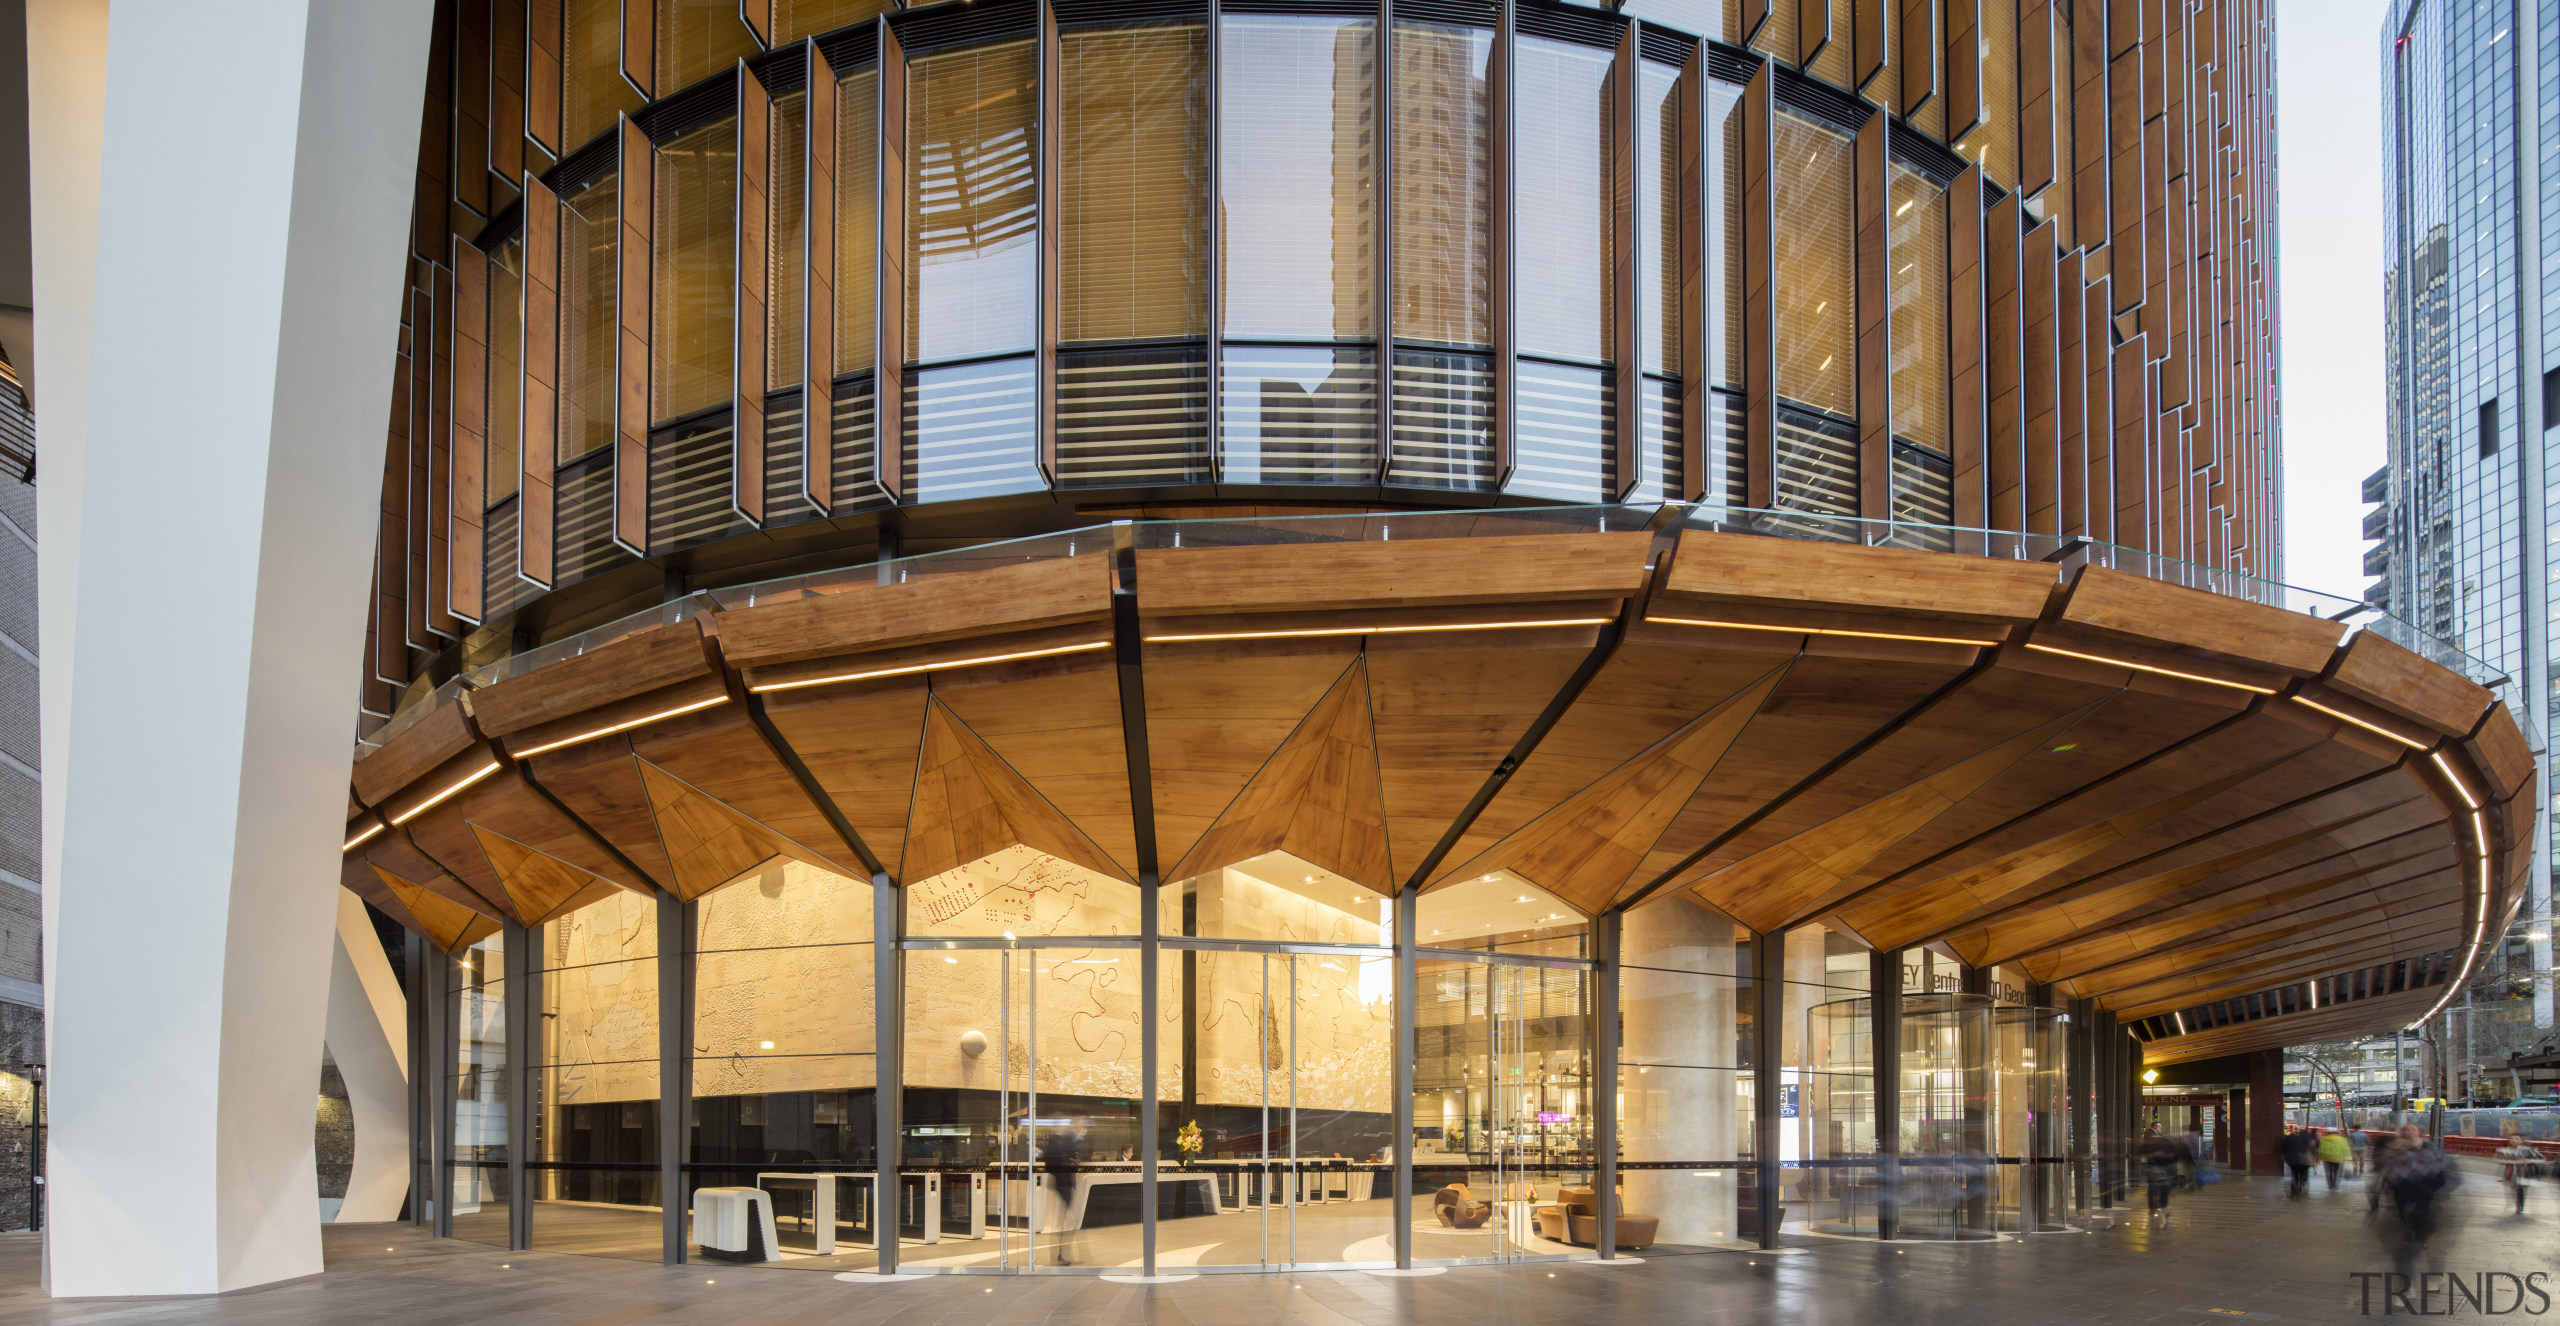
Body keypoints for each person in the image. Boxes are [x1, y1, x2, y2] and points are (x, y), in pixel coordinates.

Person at [2138, 1127, 2186, 1225]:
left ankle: (2154, 1209)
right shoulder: (2165, 1141)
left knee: (2153, 1190)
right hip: (2166, 1170)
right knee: (2164, 1190)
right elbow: (2176, 1154)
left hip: (2154, 1170)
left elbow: (2139, 1154)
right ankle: (2162, 1210)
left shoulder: (2148, 1143)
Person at [2497, 1124, 2541, 1216]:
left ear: (2521, 1141)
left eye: (2516, 1139)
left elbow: (2540, 1159)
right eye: (2512, 1138)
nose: (2513, 1140)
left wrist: (2528, 1160)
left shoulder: (2527, 1150)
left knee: (2520, 1190)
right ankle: (2517, 1204)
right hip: (2512, 1174)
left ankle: (2520, 1207)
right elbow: (2502, 1161)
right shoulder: (2507, 1149)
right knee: (2514, 1190)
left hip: (2524, 1174)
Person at [2279, 1125, 2316, 1199]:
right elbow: (2306, 1150)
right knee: (2302, 1174)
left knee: (2294, 1175)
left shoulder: (2289, 1139)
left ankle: (2295, 1186)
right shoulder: (2306, 1140)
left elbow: (2284, 1148)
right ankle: (2301, 1184)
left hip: (2291, 1161)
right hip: (2302, 1160)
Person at [2318, 1127, 2352, 1192]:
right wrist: (2347, 1157)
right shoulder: (2342, 1140)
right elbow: (2346, 1149)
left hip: (2327, 1159)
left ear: (2327, 1133)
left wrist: (2320, 1157)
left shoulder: (2323, 1140)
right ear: (2336, 1133)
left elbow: (2321, 1150)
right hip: (2339, 1159)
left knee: (2329, 1173)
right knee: (2337, 1173)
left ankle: (2330, 1186)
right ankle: (2335, 1186)